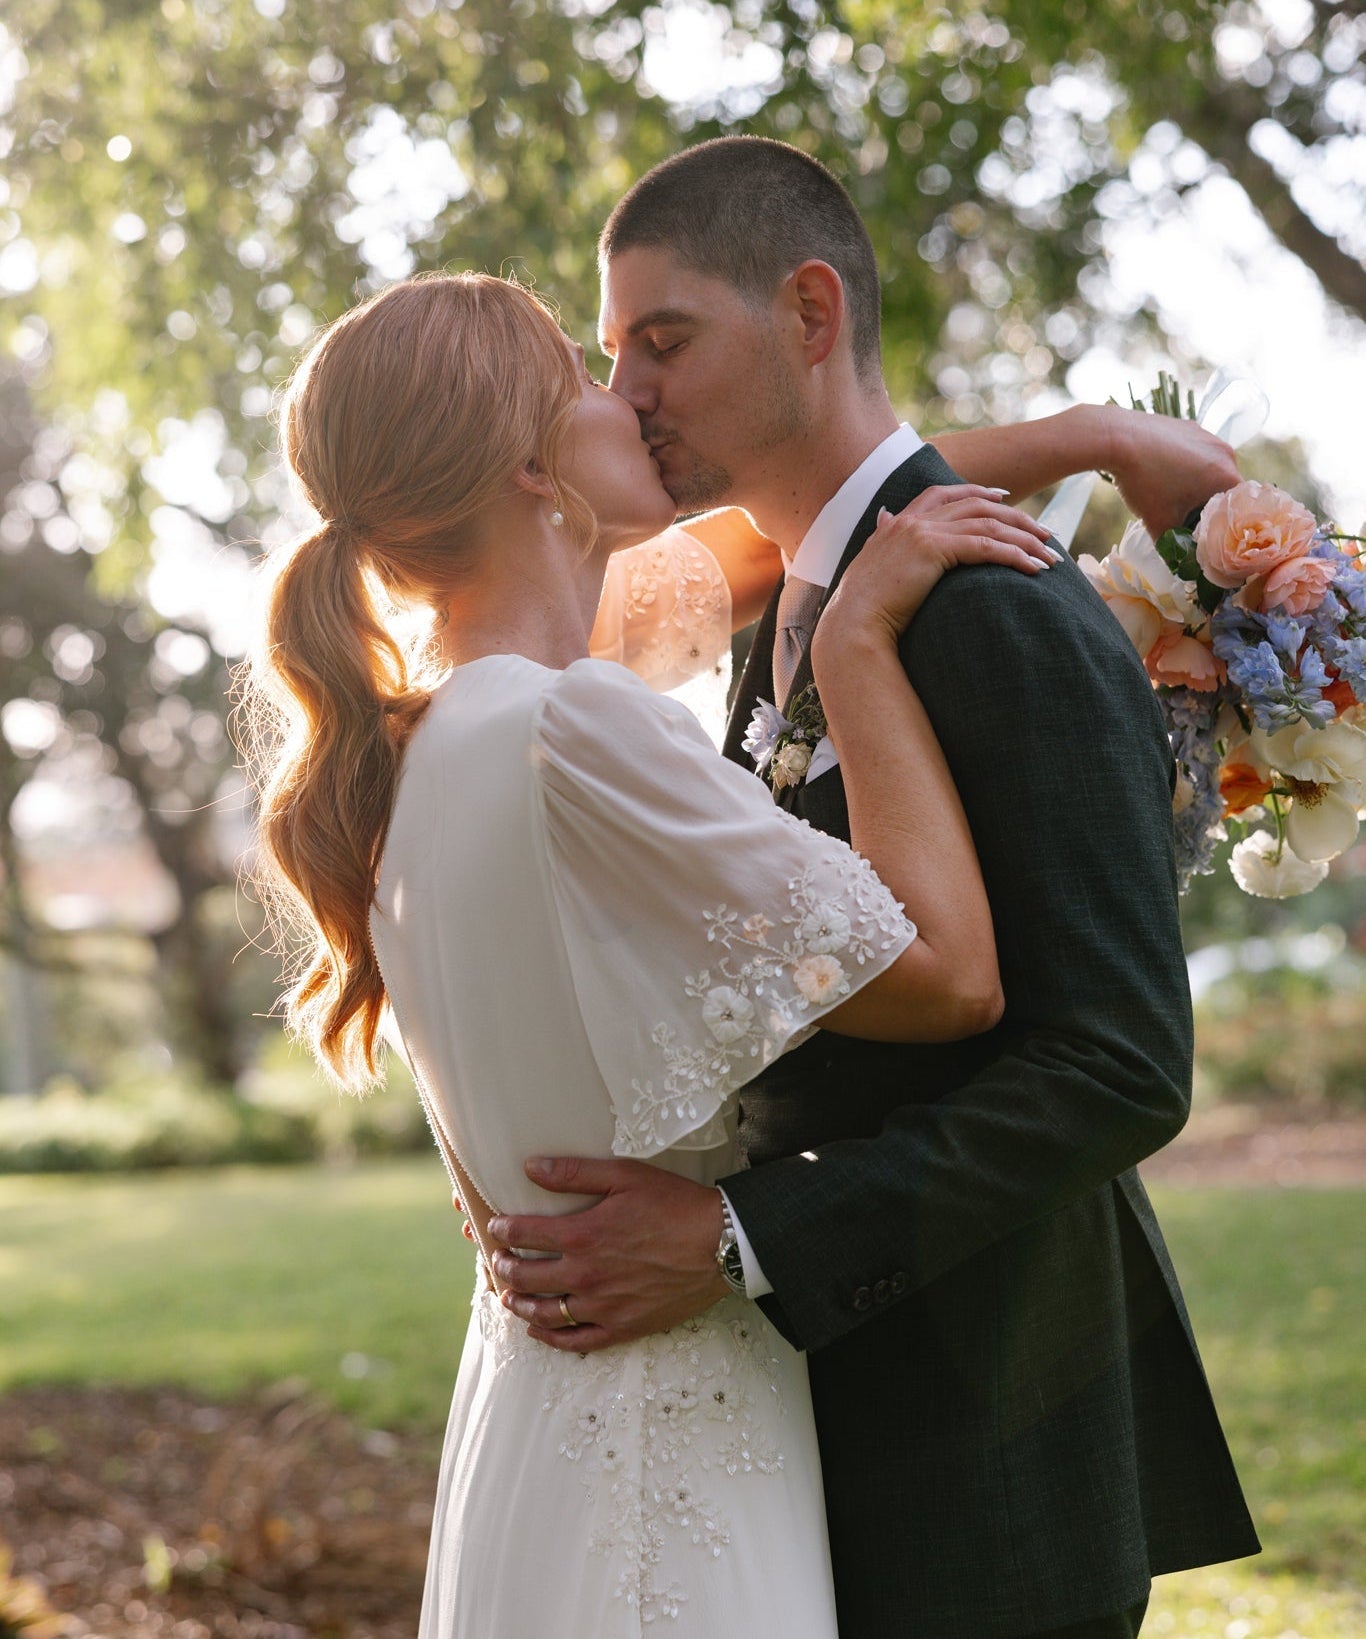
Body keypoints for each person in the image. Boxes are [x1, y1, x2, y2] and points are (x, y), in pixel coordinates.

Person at [488, 137, 1261, 1639]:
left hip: (988, 1461)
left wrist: (734, 1241)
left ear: (810, 311)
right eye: (611, 353)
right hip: (810, 1453)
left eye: (664, 340)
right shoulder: (797, 600)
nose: (627, 392)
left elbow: (1116, 1064)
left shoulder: (996, 611)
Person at [240, 269, 1063, 1637]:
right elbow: (950, 978)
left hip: (539, 1419)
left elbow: (787, 534)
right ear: (529, 469)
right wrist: (857, 642)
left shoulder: (416, 750)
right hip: (664, 1435)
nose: (625, 393)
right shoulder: (578, 731)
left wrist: (1083, 438)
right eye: (582, 373)